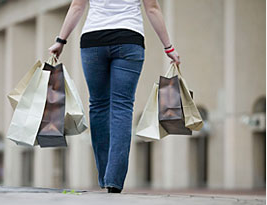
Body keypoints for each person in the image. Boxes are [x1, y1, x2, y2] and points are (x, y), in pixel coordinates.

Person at [48, 0, 180, 193]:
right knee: (122, 107)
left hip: (93, 41)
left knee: (98, 105)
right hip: (129, 39)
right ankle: (114, 180)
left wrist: (60, 41)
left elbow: (77, 6)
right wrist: (168, 47)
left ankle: (104, 176)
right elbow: (152, 8)